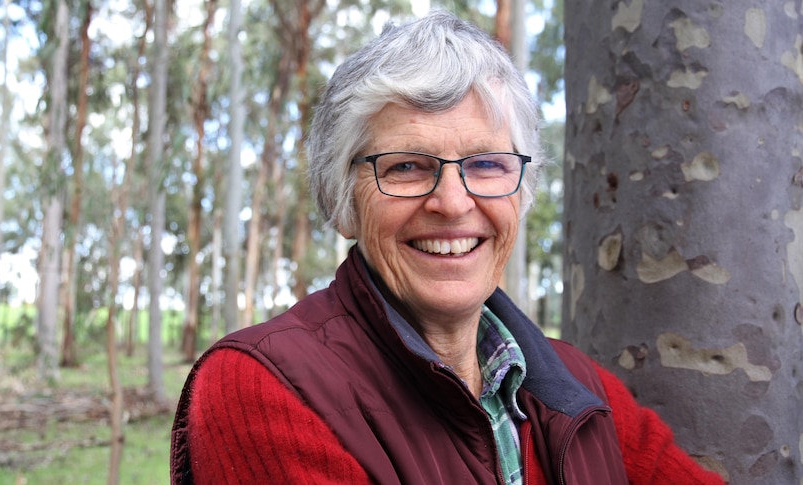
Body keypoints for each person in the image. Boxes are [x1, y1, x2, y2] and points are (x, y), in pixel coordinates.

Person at [170, 11, 725, 485]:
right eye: (407, 167)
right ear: (343, 201)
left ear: (522, 191)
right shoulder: (261, 387)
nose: (453, 203)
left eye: (486, 164)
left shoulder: (576, 384)